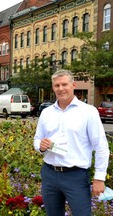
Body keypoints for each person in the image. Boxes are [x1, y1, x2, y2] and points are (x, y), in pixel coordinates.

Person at [34, 70, 109, 215]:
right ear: (53, 87)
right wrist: (40, 146)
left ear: (73, 85)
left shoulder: (88, 112)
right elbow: (37, 139)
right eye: (57, 85)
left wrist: (99, 178)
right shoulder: (47, 112)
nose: (61, 88)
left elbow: (101, 147)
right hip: (49, 173)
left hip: (75, 176)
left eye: (64, 84)